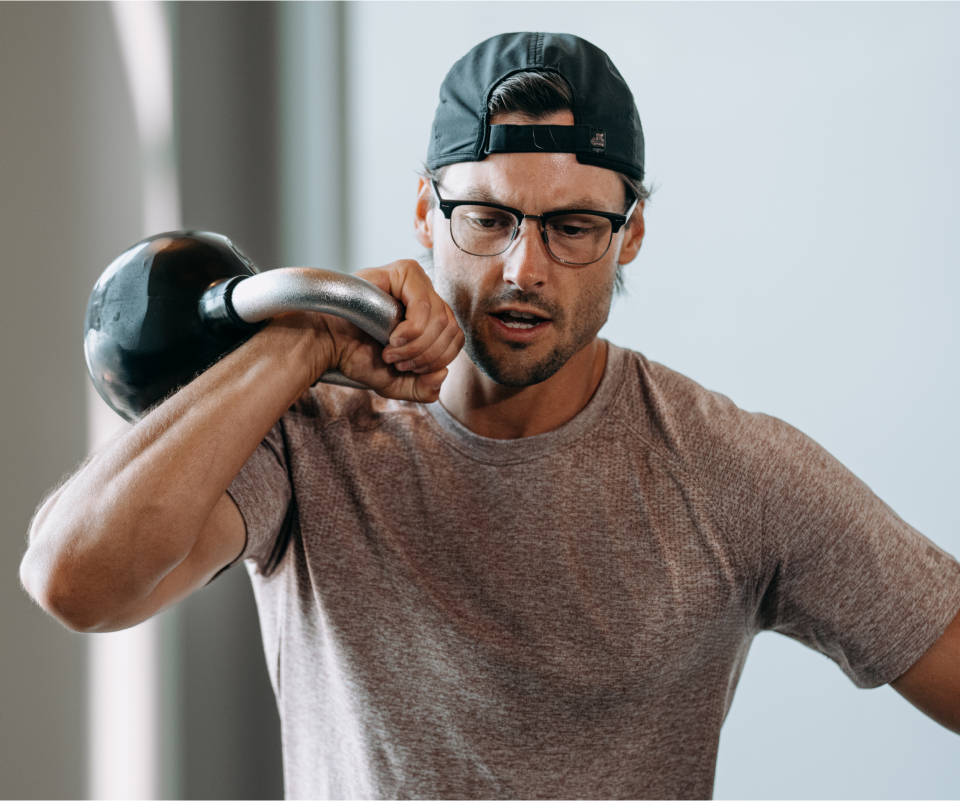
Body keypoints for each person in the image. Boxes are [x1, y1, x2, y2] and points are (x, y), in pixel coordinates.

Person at [21, 32, 960, 800]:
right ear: (426, 214)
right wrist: (301, 343)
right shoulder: (313, 434)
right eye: (487, 217)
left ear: (630, 231)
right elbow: (75, 581)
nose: (524, 268)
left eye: (573, 226)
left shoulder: (730, 471)